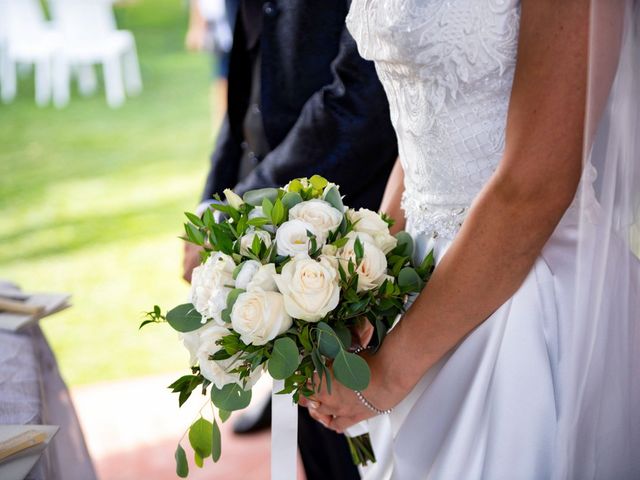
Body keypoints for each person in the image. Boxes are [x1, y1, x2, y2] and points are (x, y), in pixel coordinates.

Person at [303, 0, 640, 479]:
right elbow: (423, 129)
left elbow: (536, 185)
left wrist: (387, 376)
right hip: (417, 282)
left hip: (528, 297)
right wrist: (369, 285)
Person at [182, 1, 398, 479]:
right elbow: (248, 83)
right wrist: (213, 205)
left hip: (351, 222)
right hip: (267, 221)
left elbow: (360, 99)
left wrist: (242, 204)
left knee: (360, 443)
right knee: (312, 433)